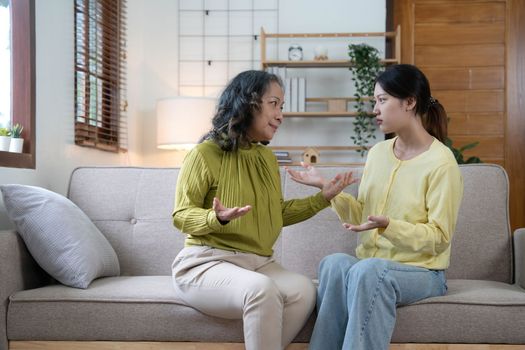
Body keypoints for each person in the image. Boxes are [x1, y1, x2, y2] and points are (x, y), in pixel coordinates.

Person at [171, 70, 354, 350]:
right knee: (262, 290)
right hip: (206, 263)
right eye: (274, 104)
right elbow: (181, 216)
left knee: (304, 290)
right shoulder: (204, 154)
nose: (281, 114)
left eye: (282, 106)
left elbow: (276, 213)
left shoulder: (267, 158)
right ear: (248, 103)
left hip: (260, 263)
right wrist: (215, 217)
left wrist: (323, 197)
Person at [287, 64, 464, 350]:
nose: (375, 109)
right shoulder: (378, 153)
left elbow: (439, 238)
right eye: (375, 102)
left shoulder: (441, 163)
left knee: (367, 271)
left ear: (409, 102)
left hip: (423, 272)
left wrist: (389, 227)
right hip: (371, 264)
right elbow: (362, 216)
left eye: (382, 100)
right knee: (334, 264)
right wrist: (327, 190)